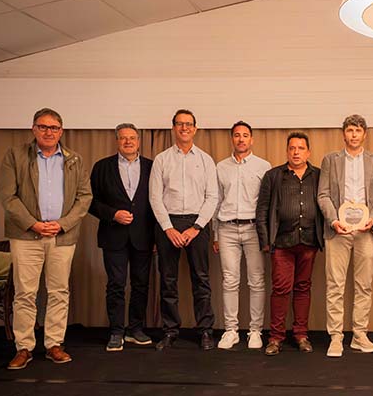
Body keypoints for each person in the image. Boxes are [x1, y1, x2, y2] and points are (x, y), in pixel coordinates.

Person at [0, 108, 92, 369]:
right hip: (26, 235)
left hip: (62, 236)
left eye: (53, 127)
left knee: (59, 291)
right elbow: (7, 196)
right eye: (43, 126)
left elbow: (85, 197)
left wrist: (62, 224)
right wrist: (34, 224)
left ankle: (53, 344)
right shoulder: (15, 155)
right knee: (25, 293)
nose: (48, 132)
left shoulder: (74, 159)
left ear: (61, 131)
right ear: (33, 129)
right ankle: (24, 347)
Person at [317, 114, 373, 357]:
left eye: (358, 130)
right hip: (338, 230)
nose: (354, 134)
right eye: (350, 130)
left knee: (364, 285)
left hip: (366, 231)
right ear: (344, 134)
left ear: (364, 134)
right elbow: (323, 195)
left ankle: (359, 335)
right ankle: (336, 337)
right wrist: (334, 220)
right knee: (335, 285)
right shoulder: (330, 160)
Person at [149, 109, 218, 351]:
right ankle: (170, 331)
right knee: (168, 281)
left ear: (195, 129)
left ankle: (205, 330)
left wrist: (196, 227)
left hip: (197, 224)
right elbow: (155, 198)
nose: (184, 128)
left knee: (201, 279)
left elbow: (212, 197)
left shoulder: (206, 160)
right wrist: (168, 229)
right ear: (173, 128)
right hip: (168, 224)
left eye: (189, 124)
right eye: (180, 124)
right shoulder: (162, 160)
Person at [256, 132, 324, 356]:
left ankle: (301, 335)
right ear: (287, 151)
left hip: (309, 241)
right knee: (281, 289)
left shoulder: (319, 175)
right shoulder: (273, 176)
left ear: (308, 152)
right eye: (292, 148)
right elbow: (262, 210)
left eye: (301, 148)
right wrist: (266, 241)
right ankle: (276, 338)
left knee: (303, 288)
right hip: (282, 243)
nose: (296, 152)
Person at [89, 123, 155, 352]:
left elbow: (158, 202)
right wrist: (112, 214)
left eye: (132, 138)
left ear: (138, 141)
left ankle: (135, 329)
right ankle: (116, 331)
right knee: (116, 285)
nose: (128, 142)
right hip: (113, 235)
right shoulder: (102, 167)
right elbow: (89, 201)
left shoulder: (151, 166)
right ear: (117, 141)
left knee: (141, 284)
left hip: (144, 236)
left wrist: (157, 238)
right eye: (123, 138)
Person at [212, 121, 271, 350]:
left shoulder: (263, 166)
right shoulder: (221, 167)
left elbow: (267, 204)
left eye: (245, 135)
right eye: (237, 135)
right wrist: (215, 234)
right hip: (226, 229)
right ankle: (231, 331)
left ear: (251, 139)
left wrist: (266, 236)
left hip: (254, 229)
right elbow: (216, 201)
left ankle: (255, 331)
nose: (241, 139)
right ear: (232, 139)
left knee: (256, 281)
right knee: (230, 280)